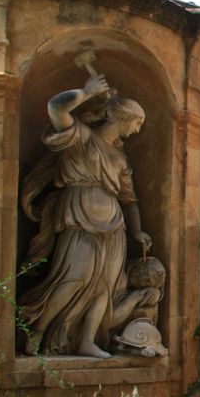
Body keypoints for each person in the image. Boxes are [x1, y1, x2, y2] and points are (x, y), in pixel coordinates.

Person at [19, 74, 159, 358]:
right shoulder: (81, 136)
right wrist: (86, 91)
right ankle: (38, 331)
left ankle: (86, 340)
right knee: (74, 278)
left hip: (113, 223)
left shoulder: (121, 159)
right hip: (79, 212)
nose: (137, 130)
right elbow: (56, 108)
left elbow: (129, 199)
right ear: (122, 117)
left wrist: (136, 231)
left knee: (105, 287)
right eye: (137, 123)